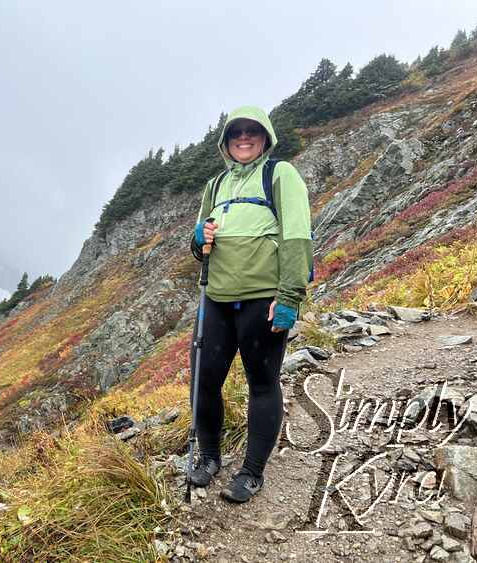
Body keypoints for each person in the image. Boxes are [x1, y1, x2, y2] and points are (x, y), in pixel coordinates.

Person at [188, 105, 312, 504]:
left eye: (252, 131)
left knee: (262, 382)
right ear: (226, 142)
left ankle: (252, 471)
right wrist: (197, 237)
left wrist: (290, 295)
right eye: (236, 132)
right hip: (216, 298)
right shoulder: (215, 185)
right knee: (204, 381)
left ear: (265, 137)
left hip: (263, 297)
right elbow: (200, 248)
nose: (244, 137)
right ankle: (209, 458)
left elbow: (297, 235)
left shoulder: (280, 174)